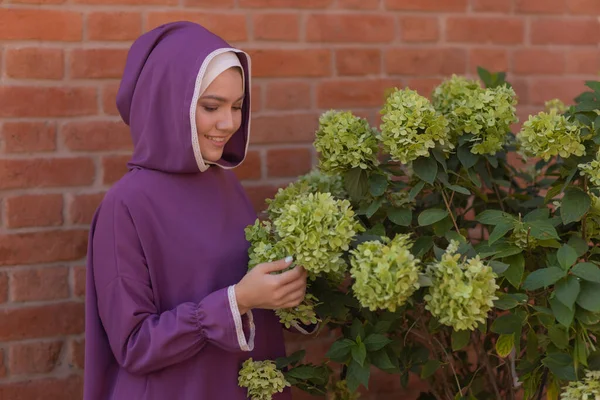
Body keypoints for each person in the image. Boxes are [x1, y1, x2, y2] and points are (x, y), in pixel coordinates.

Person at [83, 21, 309, 399]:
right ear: (169, 102)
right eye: (211, 106)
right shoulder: (125, 206)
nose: (228, 123)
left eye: (237, 106)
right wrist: (238, 301)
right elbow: (134, 344)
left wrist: (287, 288)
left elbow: (247, 290)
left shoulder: (225, 186)